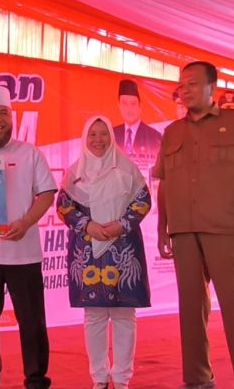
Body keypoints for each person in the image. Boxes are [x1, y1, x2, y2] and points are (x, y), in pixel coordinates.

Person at [153, 61, 234, 389]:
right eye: (181, 85)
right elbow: (164, 182)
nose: (185, 90)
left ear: (212, 88)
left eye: (192, 83)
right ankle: (197, 380)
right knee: (190, 312)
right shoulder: (172, 132)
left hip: (229, 230)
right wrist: (163, 227)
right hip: (184, 233)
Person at [0, 83, 57, 389]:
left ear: (12, 117)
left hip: (24, 252)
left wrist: (27, 221)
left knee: (32, 321)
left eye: (3, 113)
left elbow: (46, 193)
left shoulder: (29, 153)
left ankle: (37, 379)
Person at [57, 116, 152, 389]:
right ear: (84, 139)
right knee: (95, 316)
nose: (98, 140)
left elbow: (143, 201)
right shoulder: (74, 173)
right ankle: (99, 377)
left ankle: (121, 379)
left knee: (124, 315)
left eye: (104, 134)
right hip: (88, 249)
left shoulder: (127, 169)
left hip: (123, 247)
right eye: (93, 135)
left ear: (112, 136)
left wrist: (121, 225)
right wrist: (88, 225)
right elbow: (63, 206)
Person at [113, 79, 162, 158]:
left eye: (133, 103)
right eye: (124, 103)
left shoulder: (155, 136)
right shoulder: (112, 134)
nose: (129, 109)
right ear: (119, 105)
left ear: (140, 106)